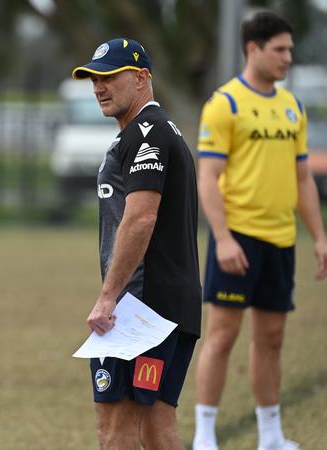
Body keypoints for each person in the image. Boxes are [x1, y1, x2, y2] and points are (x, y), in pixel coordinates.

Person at [193, 11, 327, 450]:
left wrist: (320, 237)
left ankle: (271, 435)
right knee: (223, 335)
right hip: (238, 238)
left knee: (271, 337)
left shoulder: (292, 107)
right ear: (253, 48)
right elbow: (207, 177)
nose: (288, 57)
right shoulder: (224, 103)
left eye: (290, 49)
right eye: (280, 49)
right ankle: (205, 435)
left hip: (281, 239)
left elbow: (303, 178)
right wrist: (224, 238)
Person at [72, 37, 202, 450]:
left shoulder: (149, 134)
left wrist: (109, 297)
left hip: (142, 310)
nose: (98, 87)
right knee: (156, 427)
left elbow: (141, 217)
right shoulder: (154, 133)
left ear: (142, 77)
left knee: (115, 427)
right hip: (168, 305)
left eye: (109, 76)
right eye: (94, 78)